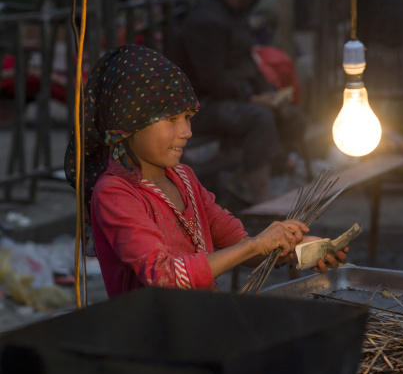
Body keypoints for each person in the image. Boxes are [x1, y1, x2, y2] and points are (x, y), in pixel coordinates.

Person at [64, 44, 347, 298]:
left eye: (187, 117)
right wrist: (255, 246)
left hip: (196, 325)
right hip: (150, 341)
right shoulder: (114, 193)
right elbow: (166, 277)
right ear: (127, 125)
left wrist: (298, 249)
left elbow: (241, 245)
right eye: (172, 120)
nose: (186, 131)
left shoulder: (184, 178)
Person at [177, 0, 308, 204]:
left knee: (293, 117)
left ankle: (243, 180)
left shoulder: (232, 16)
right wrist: (252, 98)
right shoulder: (205, 21)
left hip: (235, 97)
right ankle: (261, 199)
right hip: (206, 104)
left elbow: (249, 65)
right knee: (259, 119)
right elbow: (212, 79)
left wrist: (272, 95)